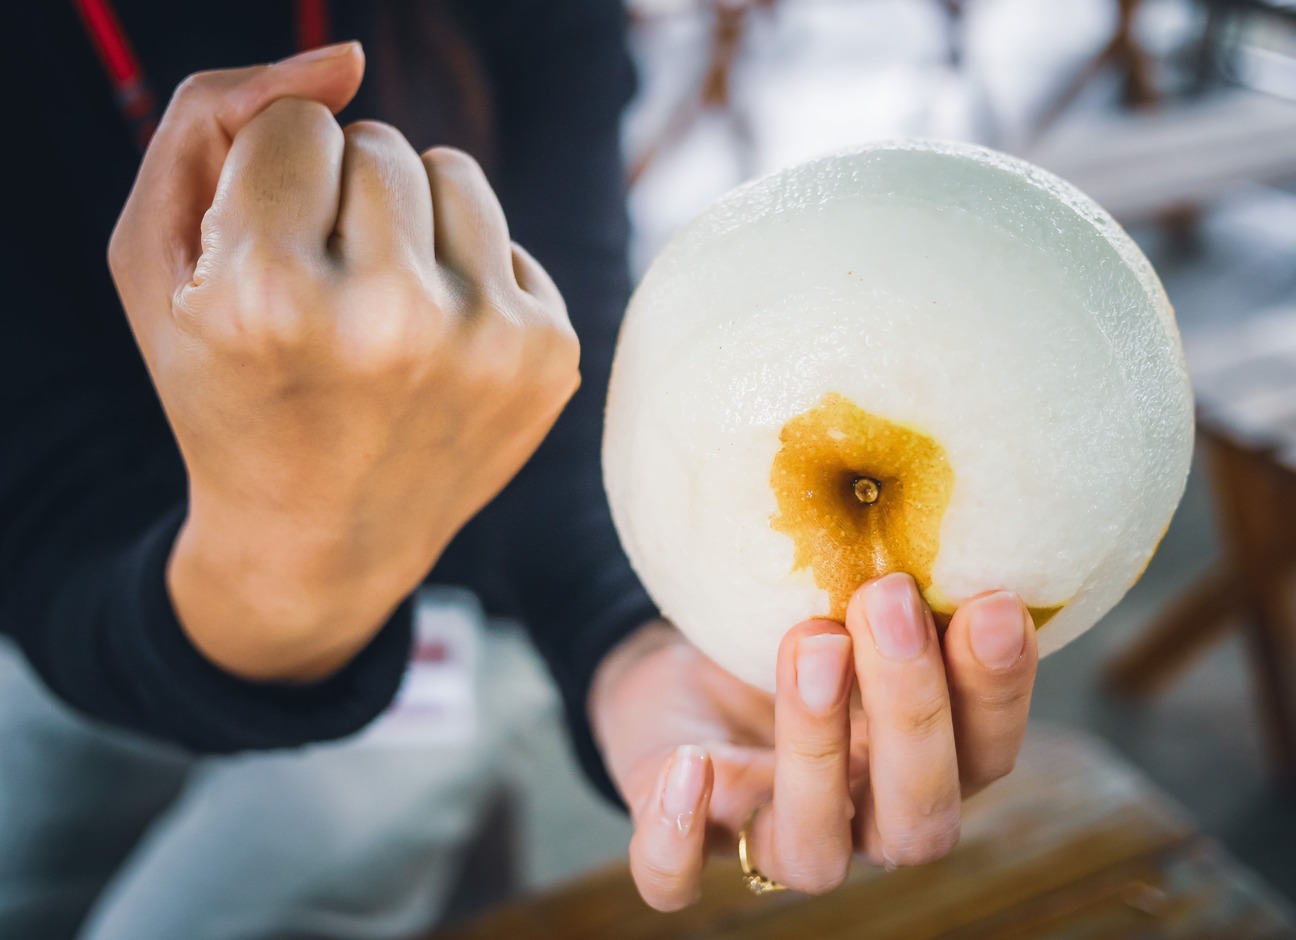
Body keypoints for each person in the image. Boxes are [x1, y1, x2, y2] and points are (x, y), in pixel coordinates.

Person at [0, 1, 1039, 935]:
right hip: (69, 610)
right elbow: (39, 500)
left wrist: (630, 642)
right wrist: (283, 532)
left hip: (450, 613)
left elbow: (563, 370)